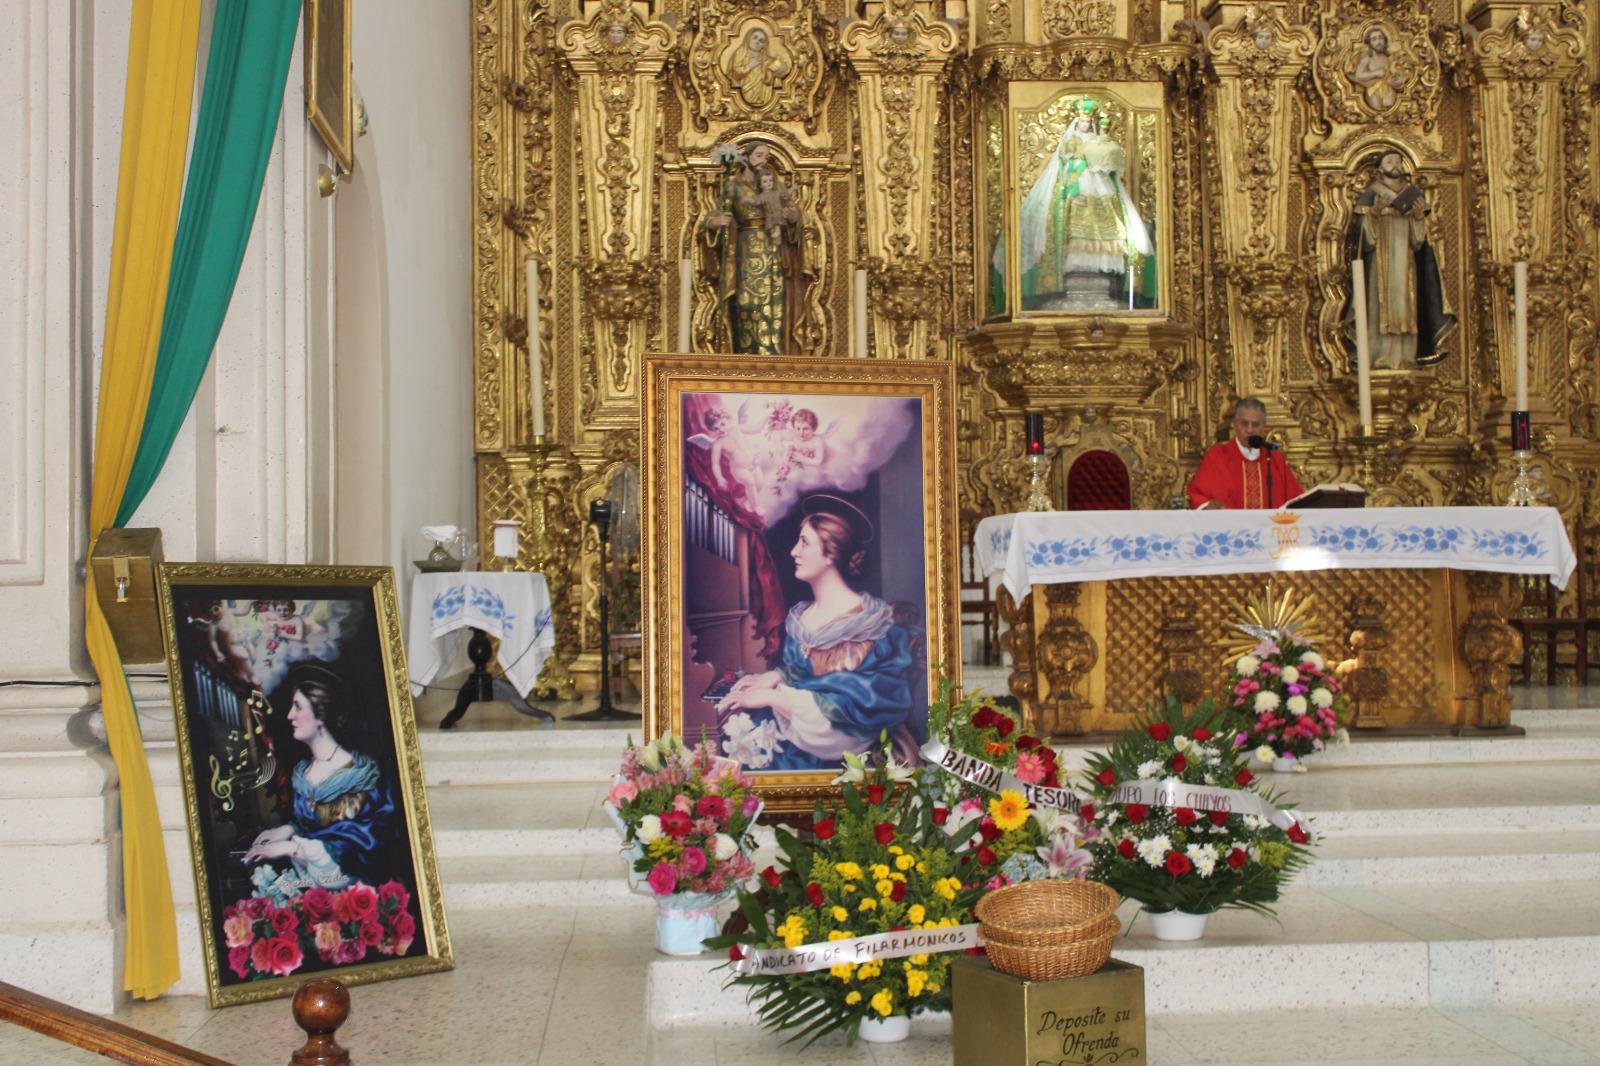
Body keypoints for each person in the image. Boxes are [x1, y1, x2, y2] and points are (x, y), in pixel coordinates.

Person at [715, 496, 919, 770]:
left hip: (845, 754)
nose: (793, 552)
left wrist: (777, 697)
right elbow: (806, 675)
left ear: (830, 554)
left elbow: (863, 710)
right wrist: (776, 676)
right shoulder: (802, 619)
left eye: (804, 543)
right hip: (796, 737)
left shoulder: (877, 629)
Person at [241, 665, 396, 892]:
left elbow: (361, 853)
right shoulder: (303, 773)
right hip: (311, 887)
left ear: (320, 716)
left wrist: (292, 848)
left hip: (353, 893)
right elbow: (314, 825)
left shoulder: (362, 777)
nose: (289, 715)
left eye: (298, 707)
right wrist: (289, 829)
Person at [1011, 99, 1154, 309]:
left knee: (1107, 222)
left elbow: (1108, 161)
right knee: (1074, 224)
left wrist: (1103, 154)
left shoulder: (1098, 139)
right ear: (1077, 121)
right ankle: (1076, 269)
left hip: (1098, 184)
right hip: (1077, 183)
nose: (1085, 124)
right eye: (1082, 121)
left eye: (1088, 121)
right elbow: (1066, 160)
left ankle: (1099, 269)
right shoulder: (1071, 140)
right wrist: (1081, 163)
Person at [1343, 150, 1456, 369]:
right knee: (1379, 306)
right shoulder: (1371, 194)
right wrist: (1374, 214)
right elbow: (1362, 240)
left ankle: (1406, 355)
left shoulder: (1412, 194)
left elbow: (1420, 242)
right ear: (1380, 168)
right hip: (1380, 264)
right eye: (1389, 161)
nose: (1394, 164)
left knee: (1406, 306)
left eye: (1397, 161)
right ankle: (1380, 355)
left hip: (1406, 263)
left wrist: (1416, 218)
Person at [707, 143, 809, 355]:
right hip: (745, 251)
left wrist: (794, 218)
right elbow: (715, 215)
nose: (763, 159)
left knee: (776, 302)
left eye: (766, 156)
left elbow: (793, 213)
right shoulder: (733, 186)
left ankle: (774, 352)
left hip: (774, 250)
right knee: (746, 303)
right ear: (746, 157)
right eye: (759, 155)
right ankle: (747, 352)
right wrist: (715, 224)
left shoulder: (776, 186)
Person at [1186, 399, 1304, 509]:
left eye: (1255, 424)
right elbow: (1196, 494)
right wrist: (1207, 506)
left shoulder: (1274, 458)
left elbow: (1297, 500)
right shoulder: (1217, 456)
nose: (1250, 430)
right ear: (1235, 424)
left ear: (1264, 427)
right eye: (1244, 424)